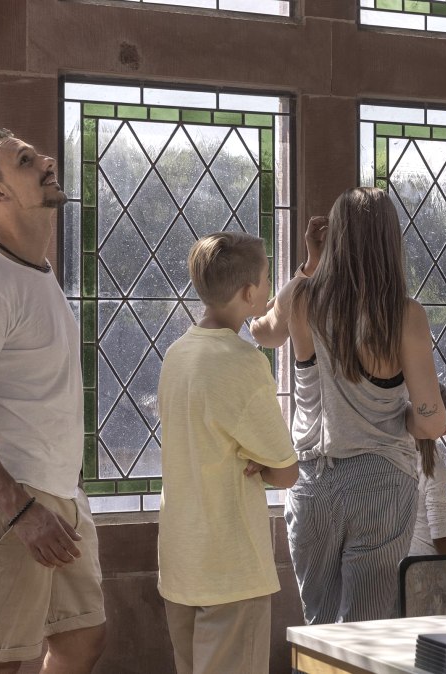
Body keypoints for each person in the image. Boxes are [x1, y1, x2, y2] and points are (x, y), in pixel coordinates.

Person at [0, 128, 105, 673]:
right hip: (7, 505)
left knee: (80, 641)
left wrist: (56, 499)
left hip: (56, 494)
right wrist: (22, 510)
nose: (47, 161)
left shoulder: (36, 271)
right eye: (26, 161)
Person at [251, 187, 446, 623]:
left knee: (319, 630)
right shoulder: (404, 314)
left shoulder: (302, 298)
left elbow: (260, 333)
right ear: (390, 241)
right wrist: (411, 418)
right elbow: (431, 423)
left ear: (334, 237)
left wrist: (309, 266)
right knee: (366, 632)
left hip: (312, 483)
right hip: (382, 481)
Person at [155, 231, 298, 674]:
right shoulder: (241, 362)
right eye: (266, 277)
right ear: (250, 292)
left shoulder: (177, 355)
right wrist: (264, 465)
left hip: (181, 561)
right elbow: (286, 470)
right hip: (231, 568)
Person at [410, 384, 446, 556]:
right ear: (444, 430)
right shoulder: (432, 468)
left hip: (393, 565)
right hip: (423, 566)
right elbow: (440, 534)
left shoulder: (392, 456)